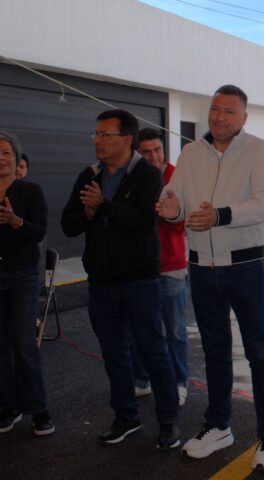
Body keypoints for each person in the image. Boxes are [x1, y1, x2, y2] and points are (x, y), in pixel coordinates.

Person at [156, 85, 264, 467]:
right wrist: (172, 207)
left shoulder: (259, 149)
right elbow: (175, 197)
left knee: (258, 352)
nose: (219, 117)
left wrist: (220, 215)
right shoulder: (191, 152)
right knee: (214, 352)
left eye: (229, 111)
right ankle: (219, 425)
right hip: (200, 268)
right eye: (215, 109)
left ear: (244, 117)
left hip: (244, 266)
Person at [61, 109, 180, 450]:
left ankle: (169, 422)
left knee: (154, 352)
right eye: (96, 134)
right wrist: (88, 212)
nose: (97, 141)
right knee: (113, 354)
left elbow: (142, 222)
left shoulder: (147, 175)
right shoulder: (89, 175)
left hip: (140, 282)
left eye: (105, 135)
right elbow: (69, 225)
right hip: (101, 283)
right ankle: (126, 417)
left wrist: (103, 206)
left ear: (126, 140)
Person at [129, 128, 189, 406]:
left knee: (174, 331)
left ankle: (179, 382)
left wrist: (167, 214)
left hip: (171, 266)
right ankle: (142, 379)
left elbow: (182, 223)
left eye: (158, 150)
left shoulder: (178, 177)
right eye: (146, 152)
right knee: (140, 328)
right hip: (140, 267)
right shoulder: (133, 177)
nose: (154, 157)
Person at [0, 131, 54, 436]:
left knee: (24, 346)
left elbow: (38, 232)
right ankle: (8, 406)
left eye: (6, 152)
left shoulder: (30, 191)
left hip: (22, 276)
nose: (1, 158)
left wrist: (14, 221)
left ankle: (39, 410)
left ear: (17, 157)